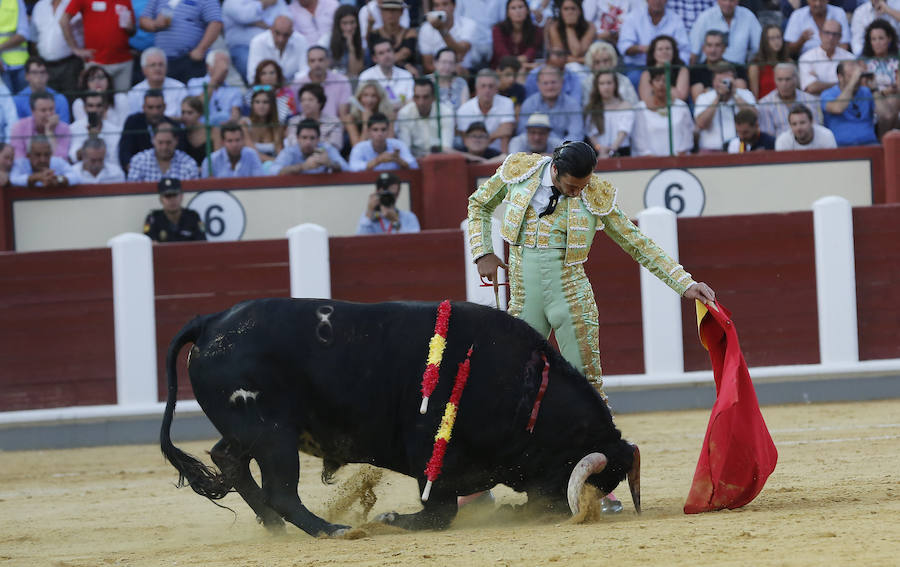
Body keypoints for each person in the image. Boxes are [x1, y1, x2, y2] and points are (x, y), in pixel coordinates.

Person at [468, 141, 716, 511]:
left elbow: (637, 243)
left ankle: (601, 481)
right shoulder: (519, 170)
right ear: (554, 168)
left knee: (586, 388)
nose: (577, 193)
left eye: (582, 186)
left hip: (571, 296)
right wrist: (483, 252)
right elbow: (479, 204)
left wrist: (684, 283)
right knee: (508, 386)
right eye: (571, 186)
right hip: (522, 293)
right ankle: (475, 481)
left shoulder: (595, 194)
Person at [138, 0, 223, 83]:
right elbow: (143, 20)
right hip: (163, 62)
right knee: (168, 95)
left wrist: (201, 49)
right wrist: (155, 24)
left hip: (191, 60)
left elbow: (216, 23)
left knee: (191, 96)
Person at [60, 0, 134, 92]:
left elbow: (132, 31)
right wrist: (75, 49)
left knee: (123, 101)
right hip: (96, 62)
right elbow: (63, 20)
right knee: (96, 101)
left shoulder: (126, 1)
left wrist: (130, 28)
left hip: (123, 62)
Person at [617, 0, 690, 85]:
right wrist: (646, 49)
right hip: (639, 66)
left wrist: (670, 60)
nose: (657, 1)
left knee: (683, 77)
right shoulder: (633, 17)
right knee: (634, 78)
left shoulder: (675, 19)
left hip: (669, 67)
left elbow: (684, 51)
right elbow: (624, 47)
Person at [631, 67, 694, 156]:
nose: (661, 84)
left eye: (665, 80)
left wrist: (675, 161)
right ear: (651, 84)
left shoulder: (681, 106)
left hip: (678, 164)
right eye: (657, 80)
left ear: (671, 85)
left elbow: (687, 138)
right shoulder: (640, 108)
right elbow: (639, 142)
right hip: (648, 164)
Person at [221, 0, 289, 82]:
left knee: (286, 64)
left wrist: (256, 22)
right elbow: (244, 16)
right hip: (244, 46)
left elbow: (287, 20)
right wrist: (264, 3)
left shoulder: (278, 1)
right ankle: (259, 93)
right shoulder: (231, 1)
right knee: (252, 68)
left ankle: (281, 92)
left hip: (273, 44)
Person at [30, 0, 84, 103]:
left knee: (72, 101)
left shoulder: (75, 2)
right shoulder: (40, 5)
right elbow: (34, 37)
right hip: (45, 66)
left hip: (70, 64)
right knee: (48, 101)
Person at [695, 64, 757, 152]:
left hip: (740, 149)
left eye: (727, 80)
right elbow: (701, 124)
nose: (724, 84)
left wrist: (735, 94)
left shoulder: (745, 94)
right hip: (711, 150)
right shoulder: (704, 98)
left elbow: (754, 117)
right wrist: (718, 98)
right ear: (713, 82)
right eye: (720, 80)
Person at [119, 89, 183, 171]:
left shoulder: (173, 125)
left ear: (165, 107)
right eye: (150, 107)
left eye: (158, 107)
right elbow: (125, 151)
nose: (155, 112)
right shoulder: (133, 122)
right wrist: (132, 169)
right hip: (139, 171)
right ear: (144, 108)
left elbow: (179, 153)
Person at [456, 69, 517, 153]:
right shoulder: (464, 110)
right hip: (473, 152)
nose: (487, 90)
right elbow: (466, 139)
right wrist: (493, 136)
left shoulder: (507, 103)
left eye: (491, 86)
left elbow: (507, 131)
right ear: (476, 88)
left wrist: (481, 139)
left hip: (498, 152)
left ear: (496, 88)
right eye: (483, 86)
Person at [519, 66, 584, 143]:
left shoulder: (572, 104)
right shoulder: (529, 103)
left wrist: (560, 148)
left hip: (564, 150)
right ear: (538, 84)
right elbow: (523, 132)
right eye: (545, 83)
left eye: (553, 82)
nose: (550, 87)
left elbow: (576, 134)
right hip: (535, 147)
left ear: (562, 82)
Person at [821, 60, 879, 146]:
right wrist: (853, 80)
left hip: (869, 143)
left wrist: (874, 90)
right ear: (840, 77)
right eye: (850, 76)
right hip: (841, 146)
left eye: (858, 76)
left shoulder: (866, 92)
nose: (857, 79)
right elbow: (838, 108)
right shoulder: (827, 94)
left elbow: (886, 115)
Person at [758, 62, 824, 137]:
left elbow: (816, 129)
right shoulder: (765, 103)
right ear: (774, 80)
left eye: (788, 79)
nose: (784, 84)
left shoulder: (810, 100)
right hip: (779, 147)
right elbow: (768, 136)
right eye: (780, 80)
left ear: (796, 79)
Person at [689, 0, 761, 66]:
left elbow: (758, 47)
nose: (727, 3)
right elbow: (694, 52)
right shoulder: (705, 17)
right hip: (709, 70)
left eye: (732, 0)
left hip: (739, 71)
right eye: (724, 0)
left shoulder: (748, 16)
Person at [395, 77, 455, 157]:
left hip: (440, 158)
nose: (421, 102)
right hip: (415, 160)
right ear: (413, 98)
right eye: (417, 97)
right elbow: (406, 149)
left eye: (425, 97)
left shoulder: (446, 112)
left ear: (433, 98)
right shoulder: (404, 114)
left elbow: (446, 147)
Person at [270, 118, 348, 174]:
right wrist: (302, 166)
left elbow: (347, 169)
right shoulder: (290, 151)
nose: (308, 142)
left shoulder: (326, 149)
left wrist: (330, 163)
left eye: (312, 138)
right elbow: (273, 171)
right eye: (304, 138)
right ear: (297, 138)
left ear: (318, 139)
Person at [418, 0, 478, 73]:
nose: (441, 8)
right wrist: (446, 72)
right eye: (437, 5)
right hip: (437, 76)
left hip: (463, 74)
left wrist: (441, 30)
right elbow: (428, 65)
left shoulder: (468, 24)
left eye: (445, 4)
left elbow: (461, 50)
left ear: (454, 5)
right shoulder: (425, 29)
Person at [186, 50, 243, 126]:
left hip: (225, 130)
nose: (224, 69)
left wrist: (229, 124)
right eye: (219, 66)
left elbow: (235, 114)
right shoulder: (194, 83)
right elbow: (198, 107)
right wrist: (215, 79)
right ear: (208, 67)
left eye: (226, 65)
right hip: (202, 129)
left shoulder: (234, 90)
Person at [246, 15, 309, 85]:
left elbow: (305, 71)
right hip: (265, 89)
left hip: (293, 88)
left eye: (286, 35)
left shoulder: (301, 40)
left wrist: (290, 87)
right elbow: (252, 76)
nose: (281, 39)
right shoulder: (258, 42)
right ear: (271, 30)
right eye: (277, 33)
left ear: (292, 33)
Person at [861, 19, 900, 131]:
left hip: (895, 98)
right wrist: (885, 92)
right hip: (873, 97)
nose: (877, 43)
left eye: (881, 38)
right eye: (873, 39)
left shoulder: (897, 59)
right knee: (889, 111)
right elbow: (865, 88)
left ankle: (882, 142)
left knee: (894, 99)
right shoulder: (863, 61)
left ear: (889, 39)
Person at [127, 48, 188, 118]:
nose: (157, 68)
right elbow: (133, 120)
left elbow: (184, 118)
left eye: (161, 64)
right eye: (153, 65)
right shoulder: (134, 92)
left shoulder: (179, 88)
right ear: (144, 69)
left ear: (166, 67)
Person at [293, 46, 352, 120]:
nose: (317, 64)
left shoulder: (342, 81)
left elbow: (344, 115)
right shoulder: (297, 84)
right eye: (312, 61)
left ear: (328, 61)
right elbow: (296, 112)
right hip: (305, 128)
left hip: (334, 127)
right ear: (307, 63)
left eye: (320, 60)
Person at [127, 122, 200, 181]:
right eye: (160, 142)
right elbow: (131, 191)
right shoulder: (139, 161)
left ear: (176, 141)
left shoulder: (188, 163)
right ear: (153, 140)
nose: (164, 147)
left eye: (168, 142)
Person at [798, 19, 854, 95]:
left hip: (844, 103)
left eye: (835, 34)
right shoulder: (807, 58)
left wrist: (820, 83)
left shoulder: (849, 58)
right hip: (815, 105)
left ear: (840, 37)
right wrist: (842, 84)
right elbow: (811, 88)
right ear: (820, 34)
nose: (831, 37)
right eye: (827, 33)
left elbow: (855, 85)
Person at [142, 177, 207, 242]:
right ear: (161, 199)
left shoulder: (193, 216)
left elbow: (202, 243)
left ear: (181, 196)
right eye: (168, 196)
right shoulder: (153, 218)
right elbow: (149, 244)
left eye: (175, 195)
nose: (172, 200)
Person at [585, 70, 633, 157]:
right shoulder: (591, 107)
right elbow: (591, 133)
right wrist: (600, 149)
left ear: (615, 84)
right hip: (598, 154)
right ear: (597, 86)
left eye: (609, 83)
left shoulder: (625, 105)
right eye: (602, 83)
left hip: (621, 152)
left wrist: (612, 150)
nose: (606, 87)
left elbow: (624, 131)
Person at [691, 30, 750, 101]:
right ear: (704, 48)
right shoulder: (696, 70)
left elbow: (744, 95)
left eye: (717, 45)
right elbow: (698, 101)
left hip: (734, 108)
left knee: (739, 82)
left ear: (724, 48)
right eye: (709, 45)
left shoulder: (737, 68)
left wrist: (709, 91)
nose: (713, 50)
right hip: (709, 110)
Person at [10, 91, 71, 160]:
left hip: (56, 170)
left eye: (51, 109)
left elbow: (62, 159)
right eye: (43, 110)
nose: (48, 114)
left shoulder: (64, 128)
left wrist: (49, 132)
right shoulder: (19, 127)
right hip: (27, 170)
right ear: (33, 111)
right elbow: (18, 159)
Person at [348, 112, 418, 171]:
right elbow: (352, 168)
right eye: (375, 130)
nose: (380, 133)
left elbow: (414, 166)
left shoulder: (398, 144)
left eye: (383, 129)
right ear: (368, 131)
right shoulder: (360, 147)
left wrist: (398, 160)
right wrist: (378, 160)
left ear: (388, 130)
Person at [358, 37, 414, 110]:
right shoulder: (366, 76)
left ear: (393, 52)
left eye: (389, 51)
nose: (387, 56)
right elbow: (363, 105)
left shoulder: (406, 75)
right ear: (374, 58)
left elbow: (411, 102)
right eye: (381, 53)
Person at [284, 83, 344, 150]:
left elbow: (335, 146)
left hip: (325, 158)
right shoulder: (294, 121)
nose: (306, 103)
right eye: (303, 100)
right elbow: (292, 144)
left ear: (320, 102)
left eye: (310, 100)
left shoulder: (334, 122)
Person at [68, 92, 121, 165]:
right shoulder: (73, 128)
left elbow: (115, 161)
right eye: (90, 106)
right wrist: (91, 138)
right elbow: (74, 158)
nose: (94, 110)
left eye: (98, 106)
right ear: (85, 108)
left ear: (105, 108)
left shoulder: (116, 131)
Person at [367, 0, 418, 76]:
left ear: (401, 12)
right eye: (386, 10)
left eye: (394, 10)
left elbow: (405, 53)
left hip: (405, 74)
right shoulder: (375, 33)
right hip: (379, 74)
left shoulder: (410, 33)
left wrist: (383, 59)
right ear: (381, 12)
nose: (390, 14)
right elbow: (373, 56)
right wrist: (404, 64)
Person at [13, 57, 71, 122]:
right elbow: (17, 128)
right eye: (34, 72)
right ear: (27, 76)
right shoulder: (16, 100)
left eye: (42, 72)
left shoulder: (60, 99)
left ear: (48, 75)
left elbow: (64, 129)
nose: (39, 76)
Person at [783, 0, 850, 56]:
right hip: (807, 62)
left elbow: (844, 44)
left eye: (821, 0)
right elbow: (789, 50)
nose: (818, 4)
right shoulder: (797, 15)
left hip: (835, 60)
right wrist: (802, 40)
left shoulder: (839, 12)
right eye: (814, 0)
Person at [10, 134, 80, 187]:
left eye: (46, 155)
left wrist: (58, 179)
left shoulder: (58, 161)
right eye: (37, 155)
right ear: (28, 155)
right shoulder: (20, 163)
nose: (42, 160)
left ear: (51, 154)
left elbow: (75, 177)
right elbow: (13, 179)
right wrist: (36, 178)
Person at [638, 35, 690, 105]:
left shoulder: (682, 70)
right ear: (653, 53)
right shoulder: (646, 74)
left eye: (668, 49)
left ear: (674, 52)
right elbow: (646, 98)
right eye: (660, 49)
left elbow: (680, 96)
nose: (664, 52)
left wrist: (656, 88)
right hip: (653, 109)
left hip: (675, 108)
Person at [491, 0, 543, 70]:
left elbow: (530, 53)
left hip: (526, 70)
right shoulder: (498, 29)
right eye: (513, 8)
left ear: (527, 11)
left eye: (520, 7)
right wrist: (526, 65)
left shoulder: (536, 30)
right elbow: (503, 55)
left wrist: (523, 65)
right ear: (508, 13)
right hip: (501, 70)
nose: (518, 11)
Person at [241, 86, 285, 165]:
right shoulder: (244, 123)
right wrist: (274, 161)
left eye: (265, 102)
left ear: (272, 105)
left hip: (272, 168)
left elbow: (280, 152)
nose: (261, 106)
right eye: (257, 102)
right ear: (252, 104)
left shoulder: (277, 126)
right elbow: (252, 153)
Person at [748, 24, 792, 99]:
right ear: (765, 41)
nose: (776, 41)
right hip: (765, 107)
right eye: (772, 38)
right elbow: (754, 97)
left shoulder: (789, 62)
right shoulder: (755, 66)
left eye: (778, 37)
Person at [346, 79, 396, 146]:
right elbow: (357, 147)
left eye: (373, 96)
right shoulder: (351, 118)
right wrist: (366, 123)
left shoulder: (388, 115)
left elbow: (390, 143)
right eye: (365, 95)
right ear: (359, 98)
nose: (369, 100)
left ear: (379, 98)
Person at [547, 0, 596, 67]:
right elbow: (560, 56)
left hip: (585, 67)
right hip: (561, 67)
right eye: (566, 9)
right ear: (561, 12)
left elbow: (577, 53)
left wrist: (570, 27)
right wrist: (569, 26)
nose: (570, 12)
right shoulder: (554, 27)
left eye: (573, 9)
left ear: (579, 11)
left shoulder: (590, 27)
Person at [0, 0, 30, 94]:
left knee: (23, 102)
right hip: (2, 69)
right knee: (5, 105)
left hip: (19, 65)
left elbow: (23, 34)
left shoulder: (16, 1)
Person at [328, 4, 366, 79]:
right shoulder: (327, 41)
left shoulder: (362, 41)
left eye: (352, 22)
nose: (349, 28)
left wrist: (351, 47)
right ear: (338, 24)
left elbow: (355, 72)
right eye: (344, 23)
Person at [427, 47, 470, 112]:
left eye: (451, 63)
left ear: (455, 65)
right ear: (435, 63)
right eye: (444, 62)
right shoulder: (426, 81)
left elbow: (464, 110)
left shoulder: (461, 83)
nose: (447, 67)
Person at [178, 96, 213, 167]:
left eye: (190, 113)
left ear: (199, 114)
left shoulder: (212, 131)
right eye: (183, 112)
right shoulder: (180, 134)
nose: (185, 116)